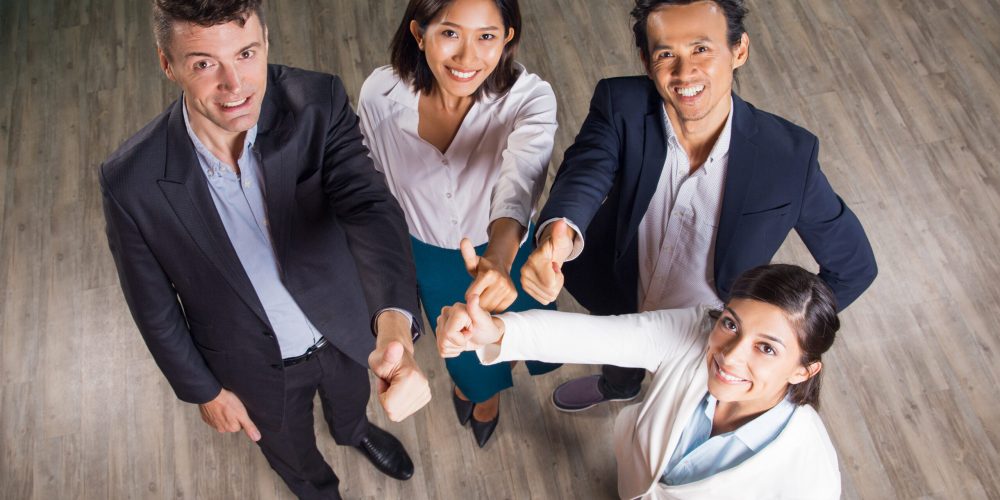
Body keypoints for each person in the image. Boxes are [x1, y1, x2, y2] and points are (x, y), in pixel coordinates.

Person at [100, 1, 431, 498]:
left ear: (266, 41)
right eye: (205, 63)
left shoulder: (318, 101)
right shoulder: (130, 180)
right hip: (250, 361)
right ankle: (318, 489)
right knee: (289, 451)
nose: (236, 86)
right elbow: (153, 306)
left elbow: (369, 207)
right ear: (168, 65)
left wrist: (394, 328)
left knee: (350, 400)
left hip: (344, 324)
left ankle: (353, 432)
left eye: (247, 53)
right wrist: (204, 391)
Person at [520, 0, 877, 412]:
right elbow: (585, 172)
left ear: (739, 50)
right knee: (620, 359)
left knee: (688, 409)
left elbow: (854, 267)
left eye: (702, 49)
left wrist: (777, 333)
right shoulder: (620, 103)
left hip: (711, 328)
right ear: (646, 61)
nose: (684, 72)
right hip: (619, 291)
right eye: (666, 54)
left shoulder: (789, 157)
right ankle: (619, 386)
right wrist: (559, 234)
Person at [439, 264, 843, 499]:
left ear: (803, 371)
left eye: (767, 348)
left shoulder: (812, 481)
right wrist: (492, 332)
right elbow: (589, 335)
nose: (730, 354)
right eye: (731, 324)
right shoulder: (695, 332)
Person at [357, 0, 559, 447]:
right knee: (463, 345)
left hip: (508, 249)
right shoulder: (379, 95)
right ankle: (481, 397)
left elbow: (520, 179)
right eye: (450, 33)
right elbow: (370, 183)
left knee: (529, 323)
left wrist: (500, 258)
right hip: (427, 252)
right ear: (418, 33)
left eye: (486, 36)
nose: (468, 58)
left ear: (507, 37)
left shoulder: (530, 98)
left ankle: (511, 371)